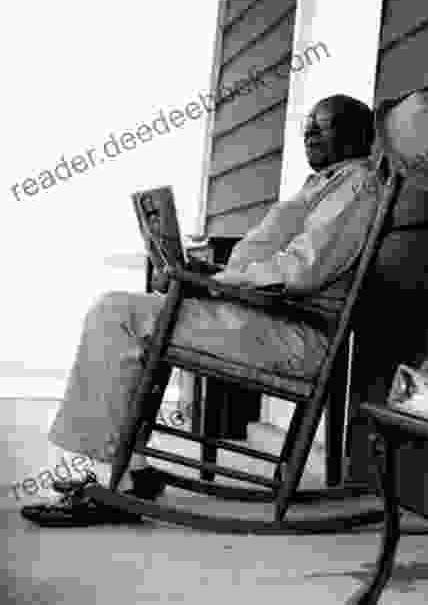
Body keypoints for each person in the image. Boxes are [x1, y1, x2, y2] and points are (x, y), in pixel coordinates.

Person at [21, 94, 379, 526]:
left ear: (357, 135)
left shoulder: (355, 186)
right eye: (309, 125)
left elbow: (302, 270)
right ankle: (129, 471)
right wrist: (204, 272)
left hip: (294, 335)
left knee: (117, 315)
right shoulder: (325, 183)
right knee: (131, 312)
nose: (310, 133)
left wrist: (216, 283)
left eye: (325, 125)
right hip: (267, 319)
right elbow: (273, 265)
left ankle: (110, 483)